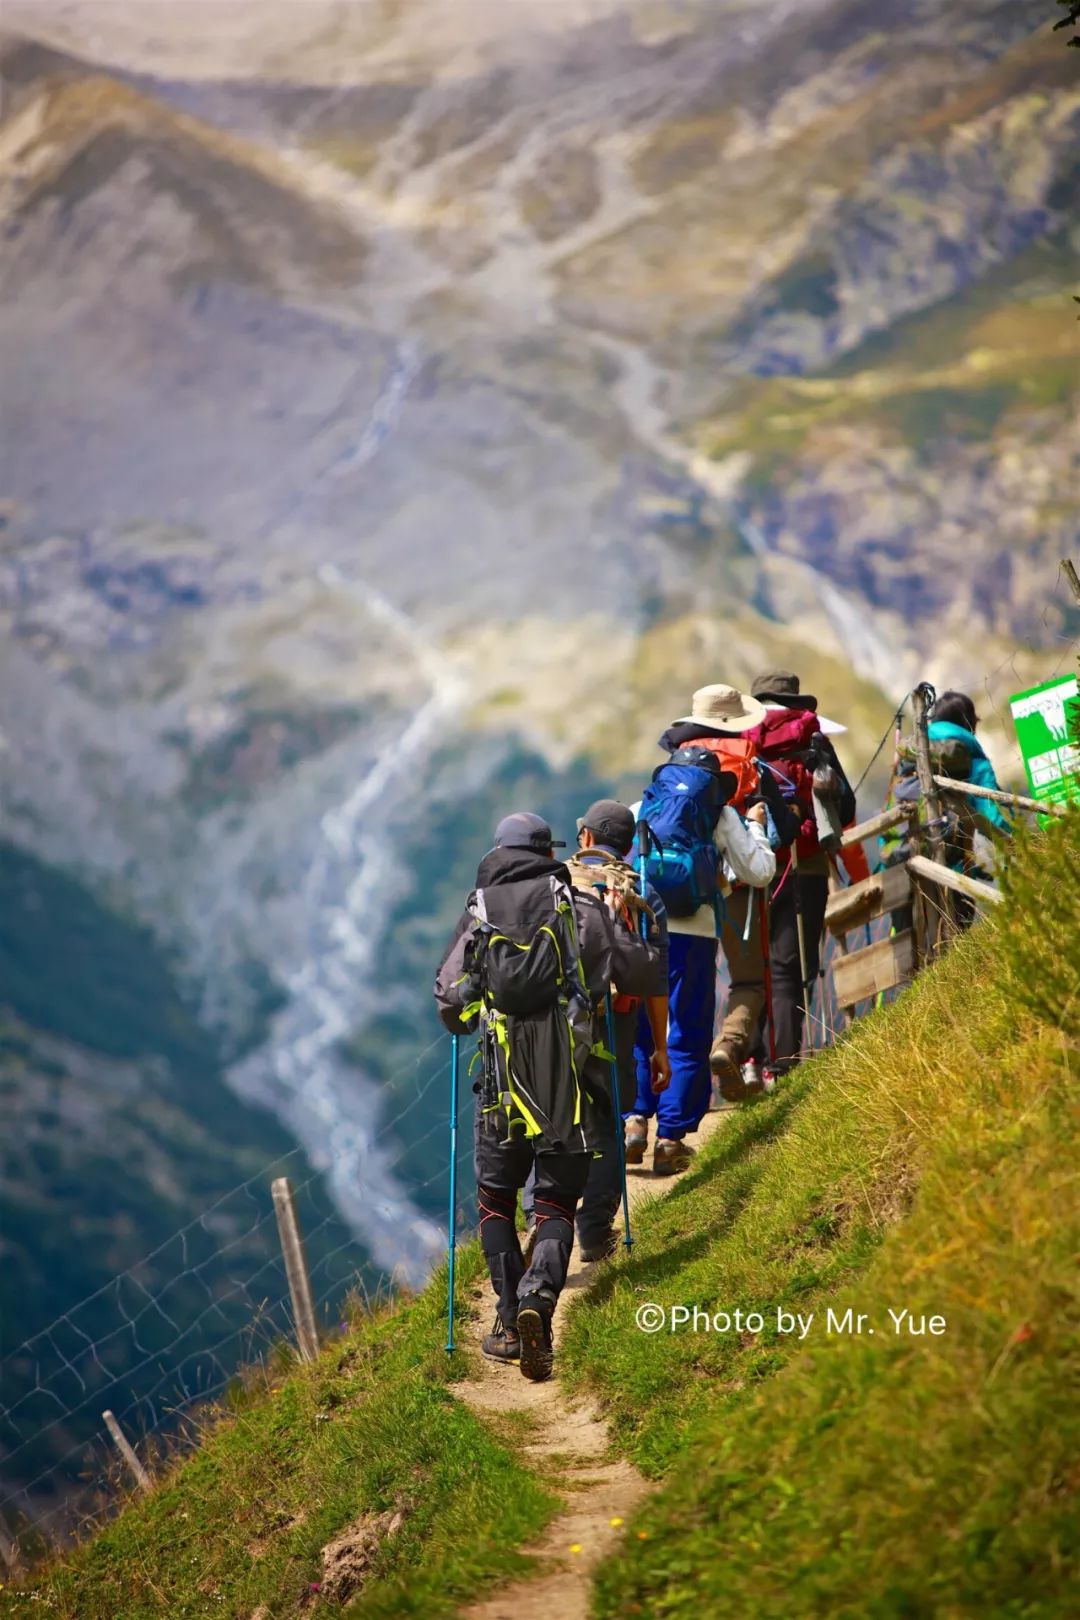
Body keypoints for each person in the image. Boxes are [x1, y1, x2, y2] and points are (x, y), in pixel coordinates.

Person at [434, 811, 617, 1381]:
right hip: (564, 1084)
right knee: (556, 1204)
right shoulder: (572, 903)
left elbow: (450, 1001)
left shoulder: (478, 911)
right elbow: (608, 976)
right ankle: (541, 1299)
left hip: (500, 1086)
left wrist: (476, 1007)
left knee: (496, 1199)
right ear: (545, 851)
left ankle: (509, 1322)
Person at [627, 685, 777, 1171]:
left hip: (646, 925)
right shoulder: (720, 803)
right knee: (686, 1031)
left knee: (641, 1029)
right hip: (695, 929)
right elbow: (759, 872)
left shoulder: (651, 795)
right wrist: (755, 827)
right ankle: (670, 1139)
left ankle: (633, 1120)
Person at [562, 800, 670, 1259]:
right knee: (607, 1122)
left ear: (585, 838)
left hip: (558, 1020)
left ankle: (548, 1225)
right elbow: (654, 980)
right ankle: (594, 1230)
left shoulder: (556, 883)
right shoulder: (641, 889)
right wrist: (660, 1048)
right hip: (616, 1018)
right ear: (627, 847)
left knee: (557, 1118)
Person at [744, 669, 857, 1078]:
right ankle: (784, 1063)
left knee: (755, 963)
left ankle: (750, 1059)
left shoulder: (743, 740)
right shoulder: (813, 739)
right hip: (805, 865)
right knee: (793, 965)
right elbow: (845, 807)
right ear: (796, 701)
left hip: (752, 865)